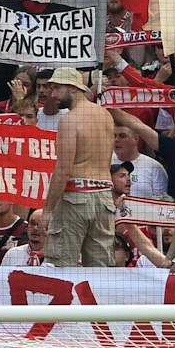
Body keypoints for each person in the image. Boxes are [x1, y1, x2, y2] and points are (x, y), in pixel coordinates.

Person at [42, 67, 116, 266]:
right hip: (104, 198)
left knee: (61, 268)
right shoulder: (106, 116)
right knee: (101, 273)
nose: (53, 94)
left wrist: (47, 210)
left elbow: (63, 169)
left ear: (74, 88)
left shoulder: (69, 120)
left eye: (57, 88)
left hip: (75, 197)